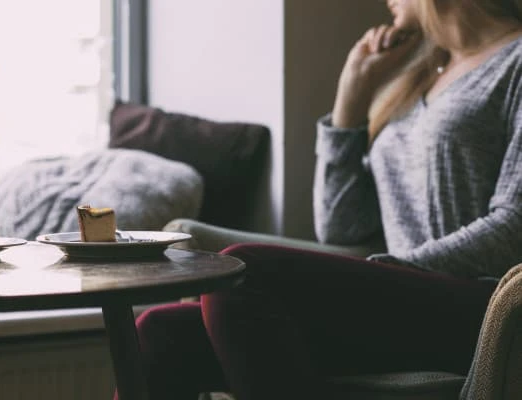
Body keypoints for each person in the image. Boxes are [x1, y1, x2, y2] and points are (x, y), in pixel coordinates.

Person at [115, 1, 522, 399]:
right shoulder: (420, 72)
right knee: (158, 332)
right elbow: (343, 226)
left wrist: (394, 269)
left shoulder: (514, 61)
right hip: (402, 296)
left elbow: (513, 226)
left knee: (243, 272)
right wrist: (351, 99)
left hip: (487, 306)